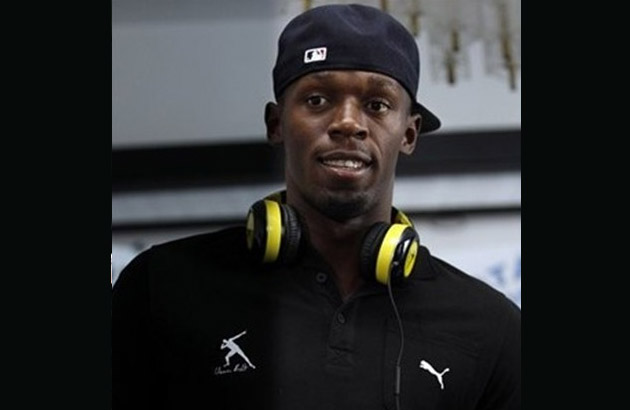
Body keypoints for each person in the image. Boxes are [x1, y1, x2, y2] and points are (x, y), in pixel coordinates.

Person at [112, 4, 521, 410]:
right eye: (317, 100)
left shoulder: (492, 328)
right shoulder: (161, 286)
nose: (348, 123)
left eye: (377, 105)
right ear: (276, 124)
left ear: (409, 134)